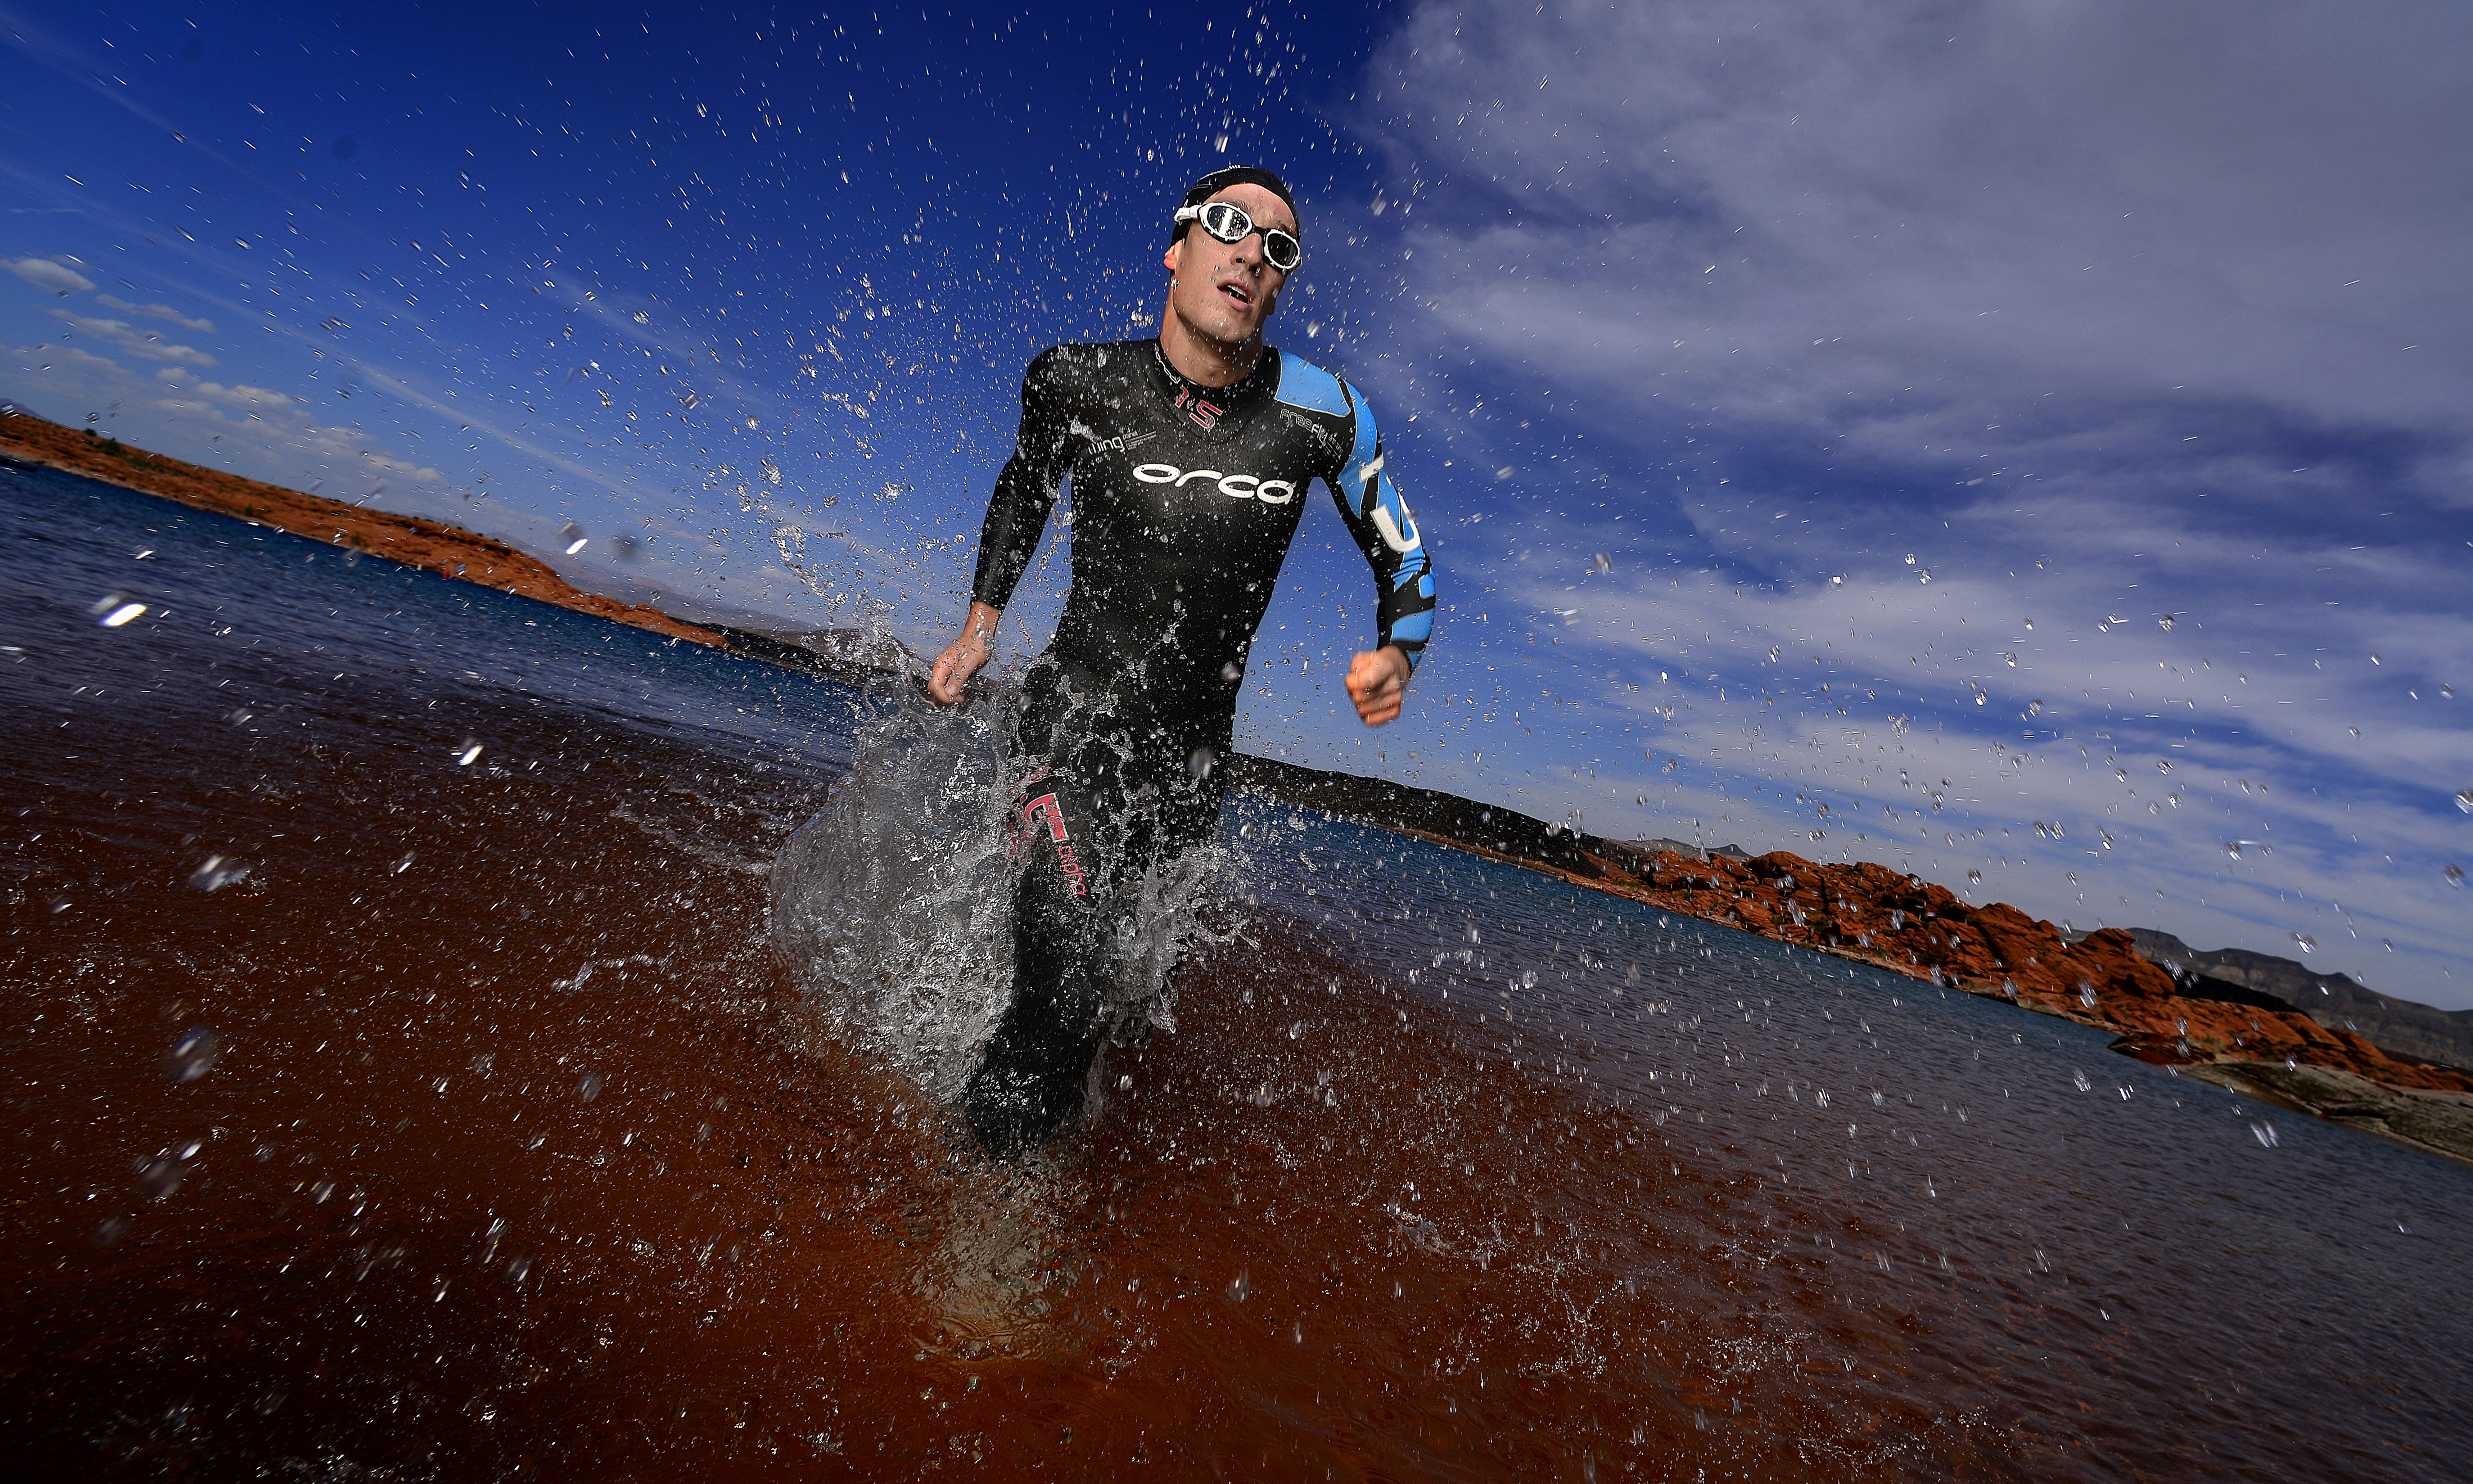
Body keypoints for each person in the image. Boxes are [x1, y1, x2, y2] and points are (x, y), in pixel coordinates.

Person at [926, 164, 1436, 1158]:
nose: (1252, 250)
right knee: (1062, 989)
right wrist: (981, 622)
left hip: (1194, 773)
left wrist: (1398, 656)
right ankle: (971, 1260)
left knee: (1124, 1006)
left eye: (1278, 246)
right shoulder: (1076, 379)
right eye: (1230, 224)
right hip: (1071, 726)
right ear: (1178, 247)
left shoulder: (1324, 415)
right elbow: (1024, 489)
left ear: (1279, 285)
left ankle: (1054, 1164)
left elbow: (1407, 558)